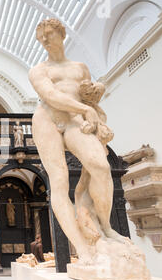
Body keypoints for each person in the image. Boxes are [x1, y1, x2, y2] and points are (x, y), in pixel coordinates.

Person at [28, 18, 127, 264]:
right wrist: (85, 109)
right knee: (59, 182)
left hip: (75, 120)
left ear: (61, 33)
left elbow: (89, 99)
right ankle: (82, 248)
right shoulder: (39, 70)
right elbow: (50, 96)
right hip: (47, 121)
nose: (44, 40)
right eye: (41, 37)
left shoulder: (80, 67)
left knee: (100, 166)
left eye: (49, 34)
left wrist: (97, 118)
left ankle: (105, 226)